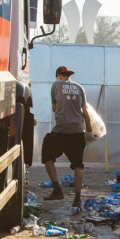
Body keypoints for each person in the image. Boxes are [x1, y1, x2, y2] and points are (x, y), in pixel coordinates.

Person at [42, 66, 94, 210]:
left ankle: (57, 189)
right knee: (78, 164)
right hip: (78, 131)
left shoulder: (55, 85)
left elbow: (54, 108)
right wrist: (89, 132)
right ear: (68, 76)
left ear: (58, 75)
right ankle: (77, 198)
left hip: (61, 131)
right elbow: (85, 112)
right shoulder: (79, 88)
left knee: (47, 155)